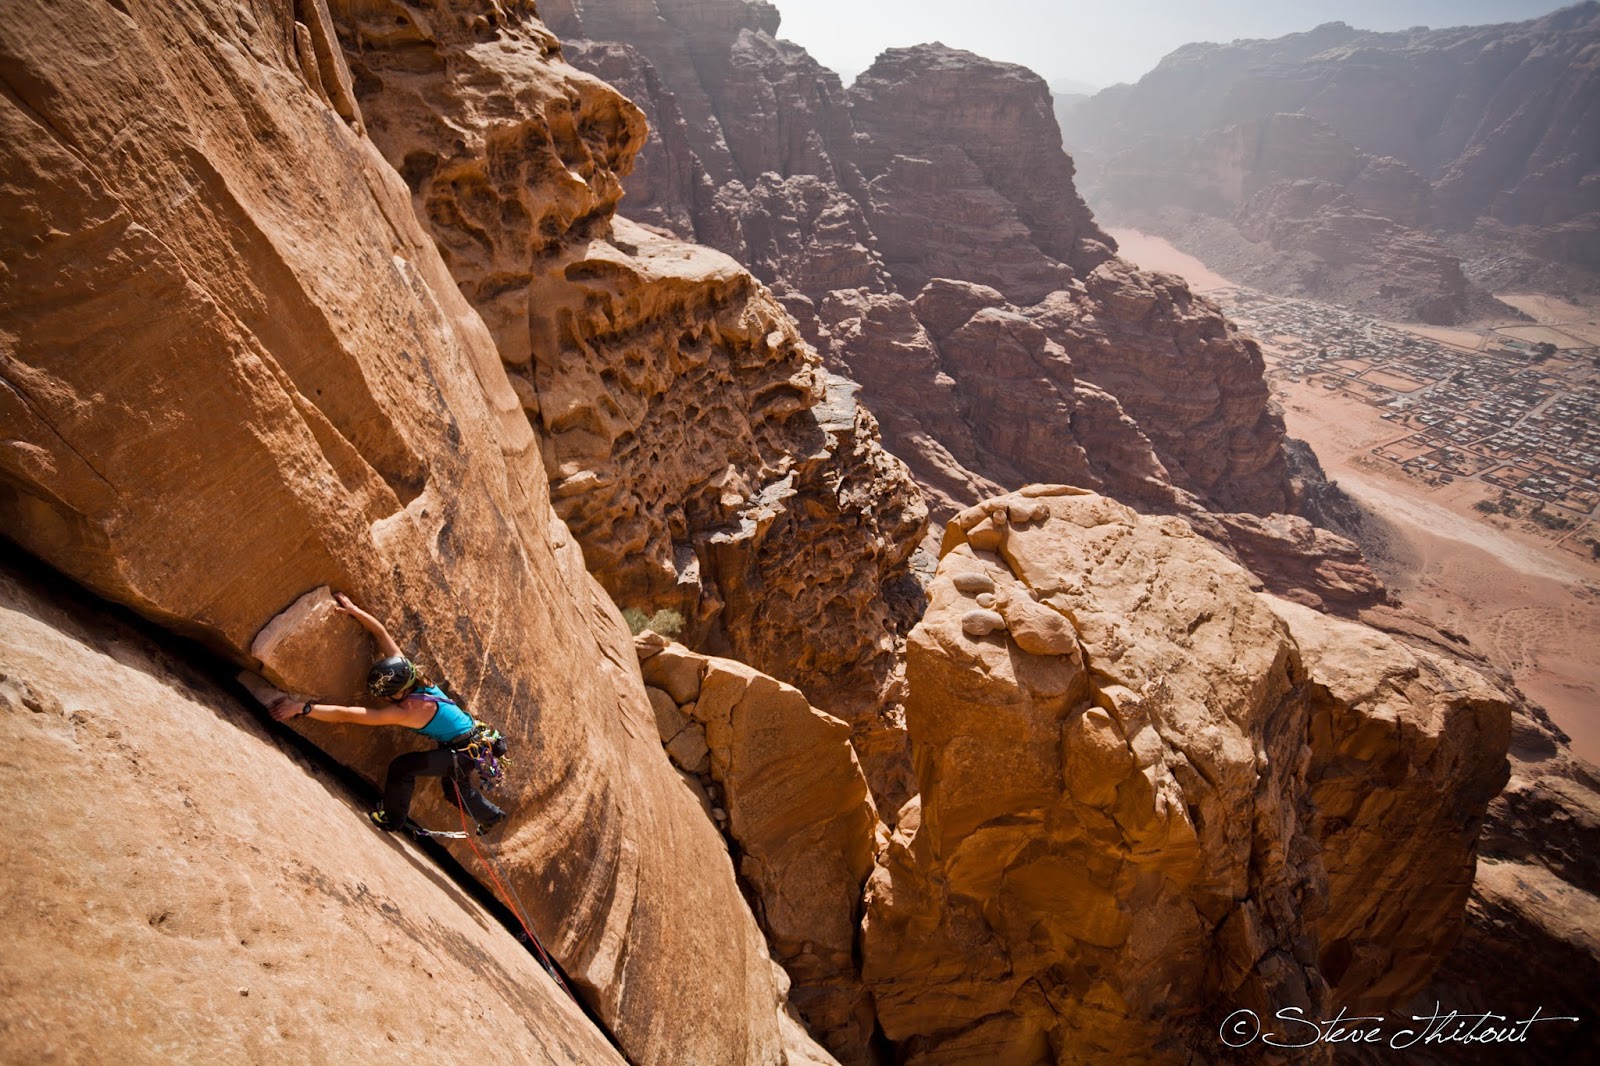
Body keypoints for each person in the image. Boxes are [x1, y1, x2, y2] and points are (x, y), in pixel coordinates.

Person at [270, 592, 507, 835]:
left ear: (399, 692)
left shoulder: (408, 710)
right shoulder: (409, 672)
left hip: (464, 750)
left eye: (386, 695)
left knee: (403, 768)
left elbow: (350, 714)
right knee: (454, 786)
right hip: (473, 739)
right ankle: (491, 816)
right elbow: (381, 633)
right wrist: (354, 610)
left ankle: (392, 820)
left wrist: (303, 708)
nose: (383, 700)